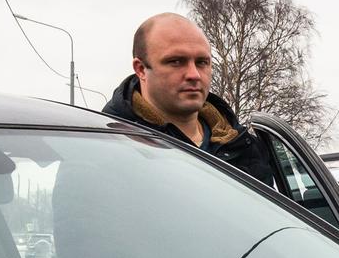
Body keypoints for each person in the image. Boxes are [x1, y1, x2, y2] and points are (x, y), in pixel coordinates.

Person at [102, 13, 278, 189]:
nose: (194, 74)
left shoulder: (242, 145)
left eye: (202, 62)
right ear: (140, 69)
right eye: (176, 61)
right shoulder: (108, 148)